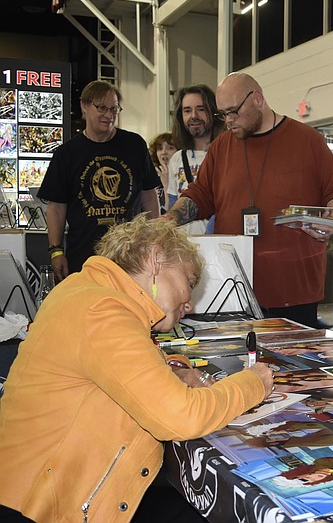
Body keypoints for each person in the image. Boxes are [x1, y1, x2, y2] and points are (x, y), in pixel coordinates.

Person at [0, 216, 274, 521]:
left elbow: (117, 370)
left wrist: (172, 370)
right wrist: (253, 384)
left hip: (51, 492)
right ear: (155, 259)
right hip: (42, 508)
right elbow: (181, 417)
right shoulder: (102, 310)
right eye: (189, 282)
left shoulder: (86, 292)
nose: (190, 303)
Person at [165, 72, 333, 328]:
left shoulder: (308, 141)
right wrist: (169, 219)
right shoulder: (221, 147)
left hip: (293, 291)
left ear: (258, 99)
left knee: (291, 366)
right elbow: (201, 195)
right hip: (234, 289)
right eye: (222, 114)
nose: (228, 121)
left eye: (233, 112)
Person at [38, 80, 160, 282]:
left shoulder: (135, 145)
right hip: (84, 256)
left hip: (129, 255)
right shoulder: (66, 154)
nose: (109, 115)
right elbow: (56, 207)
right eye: (102, 107)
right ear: (84, 106)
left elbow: (149, 195)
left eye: (114, 109)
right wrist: (56, 251)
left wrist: (154, 240)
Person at [167, 84, 226, 234]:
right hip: (183, 246)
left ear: (213, 112)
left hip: (216, 242)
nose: (194, 116)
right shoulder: (177, 159)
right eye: (187, 110)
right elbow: (173, 203)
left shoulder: (226, 154)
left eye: (201, 109)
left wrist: (209, 237)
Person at [148, 131, 178, 214]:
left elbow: (171, 211)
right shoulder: (152, 176)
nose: (164, 152)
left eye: (170, 148)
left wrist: (167, 184)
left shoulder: (182, 177)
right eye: (160, 149)